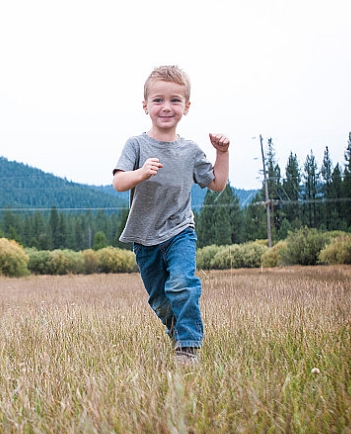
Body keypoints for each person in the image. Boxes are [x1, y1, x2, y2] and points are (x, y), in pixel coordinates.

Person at [112, 65, 230, 365]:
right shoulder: (136, 145)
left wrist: (222, 152)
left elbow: (216, 184)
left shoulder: (190, 150)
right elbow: (118, 182)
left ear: (186, 107)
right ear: (146, 106)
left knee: (182, 283)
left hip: (180, 232)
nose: (167, 107)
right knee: (160, 300)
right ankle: (178, 331)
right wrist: (140, 173)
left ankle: (188, 347)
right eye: (158, 100)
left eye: (175, 100)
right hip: (144, 237)